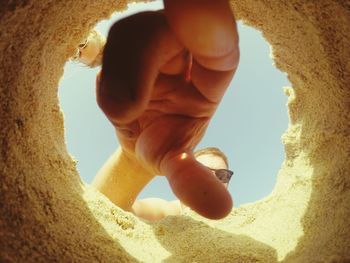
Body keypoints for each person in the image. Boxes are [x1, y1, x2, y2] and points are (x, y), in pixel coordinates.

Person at [76, 0, 239, 220]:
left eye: (221, 175)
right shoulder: (167, 212)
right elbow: (106, 215)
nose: (210, 179)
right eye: (202, 168)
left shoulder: (245, 222)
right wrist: (134, 162)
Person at [92, 147, 233, 221]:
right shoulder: (168, 212)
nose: (213, 179)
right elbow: (107, 207)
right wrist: (132, 157)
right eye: (202, 171)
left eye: (222, 175)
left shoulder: (239, 222)